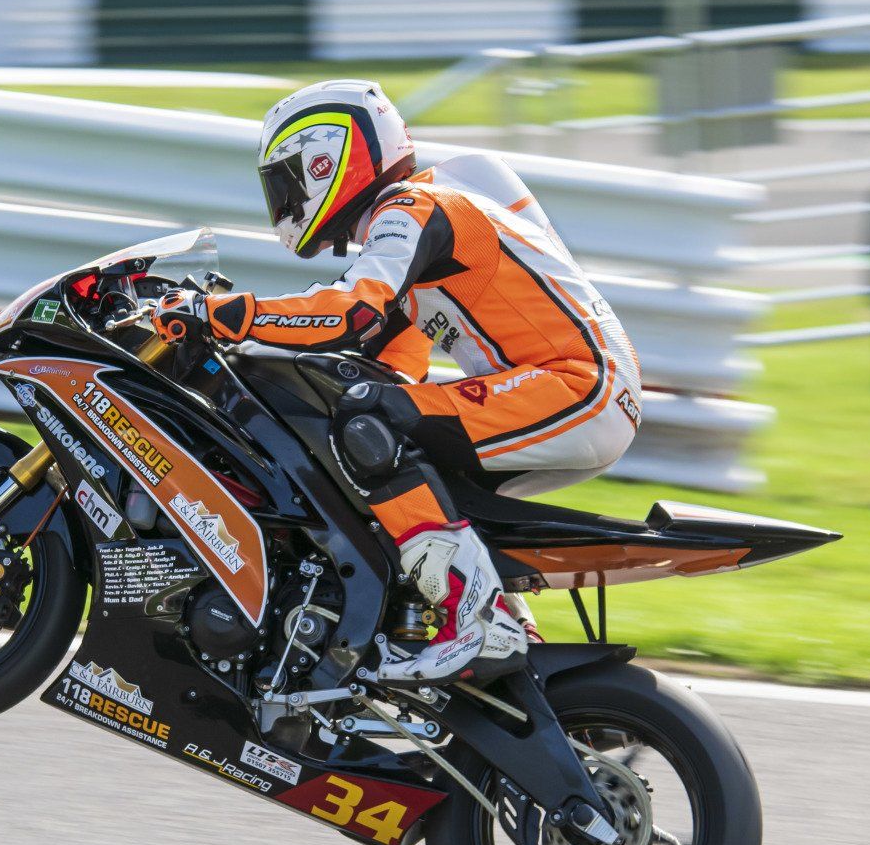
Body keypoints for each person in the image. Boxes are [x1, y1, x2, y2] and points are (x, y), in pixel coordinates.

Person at [158, 79, 643, 685]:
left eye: (286, 182)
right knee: (376, 434)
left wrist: (220, 315)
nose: (284, 202)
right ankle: (520, 652)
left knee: (366, 421)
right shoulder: (419, 229)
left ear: (326, 158)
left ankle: (473, 620)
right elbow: (383, 365)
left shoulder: (412, 208)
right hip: (570, 395)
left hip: (576, 390)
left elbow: (348, 313)